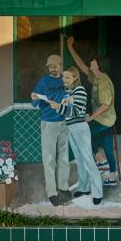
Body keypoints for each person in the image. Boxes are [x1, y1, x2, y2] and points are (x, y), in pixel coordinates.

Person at [67, 37, 118, 186]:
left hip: (106, 119)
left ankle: (98, 158)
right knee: (108, 147)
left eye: (94, 61)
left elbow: (105, 105)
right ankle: (111, 176)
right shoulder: (95, 77)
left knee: (84, 130)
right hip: (102, 118)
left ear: (99, 64)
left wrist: (91, 117)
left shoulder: (103, 80)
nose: (91, 62)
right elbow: (81, 65)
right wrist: (70, 47)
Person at [48, 66, 103, 205]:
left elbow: (78, 112)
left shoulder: (80, 90)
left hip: (79, 128)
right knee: (79, 160)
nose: (64, 79)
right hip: (70, 128)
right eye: (63, 77)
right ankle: (84, 188)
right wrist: (57, 107)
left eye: (67, 77)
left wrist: (59, 107)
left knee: (88, 159)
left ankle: (97, 193)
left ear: (75, 78)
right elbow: (65, 111)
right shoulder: (68, 92)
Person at [31, 54, 71, 207]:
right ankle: (52, 193)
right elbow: (34, 102)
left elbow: (71, 98)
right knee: (49, 160)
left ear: (61, 66)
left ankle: (64, 187)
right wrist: (34, 97)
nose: (53, 69)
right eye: (51, 67)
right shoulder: (43, 81)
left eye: (56, 66)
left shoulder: (65, 79)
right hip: (48, 123)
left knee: (64, 158)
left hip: (64, 122)